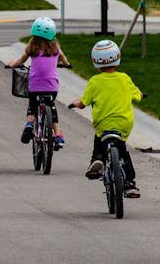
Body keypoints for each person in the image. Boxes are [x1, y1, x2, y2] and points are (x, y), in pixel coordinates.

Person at [69, 40, 142, 198]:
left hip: (103, 124)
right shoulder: (124, 78)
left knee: (99, 138)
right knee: (122, 150)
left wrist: (76, 102)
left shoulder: (95, 82)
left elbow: (83, 103)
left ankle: (97, 159)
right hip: (123, 123)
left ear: (95, 60)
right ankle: (130, 184)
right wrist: (140, 94)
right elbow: (138, 96)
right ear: (117, 57)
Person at [7, 17, 71, 150]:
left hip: (35, 86)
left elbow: (20, 61)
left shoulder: (32, 48)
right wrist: (66, 64)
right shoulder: (56, 48)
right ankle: (58, 135)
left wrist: (12, 64)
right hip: (51, 87)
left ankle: (30, 124)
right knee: (51, 107)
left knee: (33, 104)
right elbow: (64, 59)